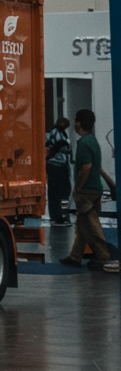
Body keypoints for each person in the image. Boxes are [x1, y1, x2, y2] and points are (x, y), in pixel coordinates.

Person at [60, 109, 119, 272]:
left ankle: (104, 257)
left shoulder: (84, 143)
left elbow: (87, 166)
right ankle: (75, 256)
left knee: (91, 224)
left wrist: (78, 186)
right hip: (96, 189)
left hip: (86, 191)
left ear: (79, 123)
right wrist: (111, 184)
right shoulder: (94, 141)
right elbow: (98, 166)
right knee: (83, 224)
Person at [44, 117, 72, 225]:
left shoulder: (60, 133)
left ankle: (58, 215)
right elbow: (48, 146)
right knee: (62, 192)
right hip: (56, 165)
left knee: (57, 192)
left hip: (59, 164)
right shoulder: (55, 133)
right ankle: (61, 215)